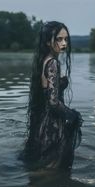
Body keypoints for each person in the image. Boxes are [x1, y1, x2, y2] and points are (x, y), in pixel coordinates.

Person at [22, 21, 83, 170]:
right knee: (53, 166)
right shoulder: (53, 63)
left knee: (44, 164)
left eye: (66, 39)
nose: (64, 43)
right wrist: (72, 115)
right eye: (59, 39)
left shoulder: (44, 60)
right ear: (49, 42)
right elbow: (53, 102)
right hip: (51, 124)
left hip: (43, 120)